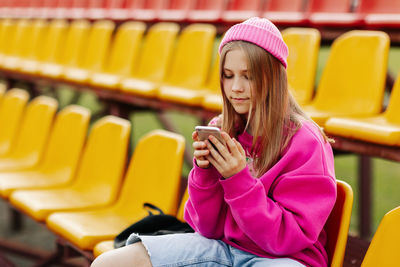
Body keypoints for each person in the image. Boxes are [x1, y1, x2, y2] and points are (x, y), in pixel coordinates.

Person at [91, 17, 337, 267]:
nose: (236, 88)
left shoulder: (306, 142)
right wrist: (204, 172)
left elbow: (286, 239)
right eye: (228, 76)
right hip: (222, 248)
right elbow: (204, 228)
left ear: (273, 78)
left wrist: (238, 179)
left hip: (283, 258)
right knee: (108, 263)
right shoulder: (222, 129)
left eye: (248, 77)